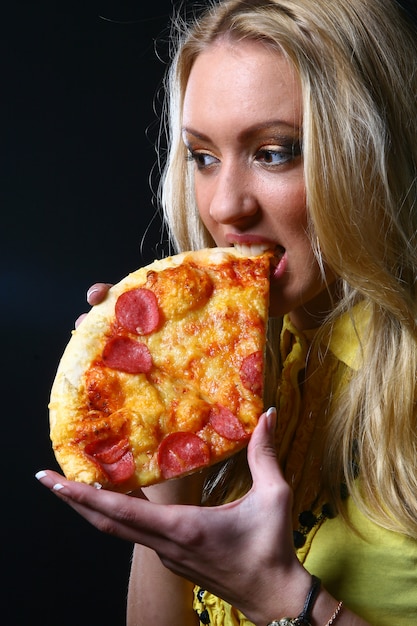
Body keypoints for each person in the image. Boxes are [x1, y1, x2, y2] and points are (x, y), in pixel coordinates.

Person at [36, 0, 417, 624]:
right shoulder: (245, 362)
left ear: (370, 153)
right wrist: (167, 447)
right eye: (204, 157)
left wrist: (278, 596)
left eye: (274, 152)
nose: (225, 207)